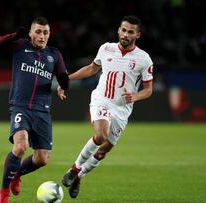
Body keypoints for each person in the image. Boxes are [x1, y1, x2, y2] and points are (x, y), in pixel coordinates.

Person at [58, 15, 153, 198]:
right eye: (123, 30)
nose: (125, 34)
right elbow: (92, 68)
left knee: (102, 152)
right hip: (101, 100)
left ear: (138, 35)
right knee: (100, 135)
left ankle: (79, 177)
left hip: (122, 109)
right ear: (118, 30)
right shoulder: (106, 48)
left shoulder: (144, 59)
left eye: (130, 32)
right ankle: (74, 168)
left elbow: (148, 90)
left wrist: (135, 96)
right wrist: (66, 80)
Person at [0, 16, 70, 203]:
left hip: (42, 110)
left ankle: (16, 174)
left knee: (42, 159)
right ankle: (3, 195)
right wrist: (15, 34)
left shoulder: (54, 54)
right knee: (20, 147)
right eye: (38, 32)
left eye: (46, 32)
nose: (42, 36)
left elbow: (63, 76)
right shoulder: (20, 46)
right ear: (31, 33)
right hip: (21, 107)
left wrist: (64, 83)